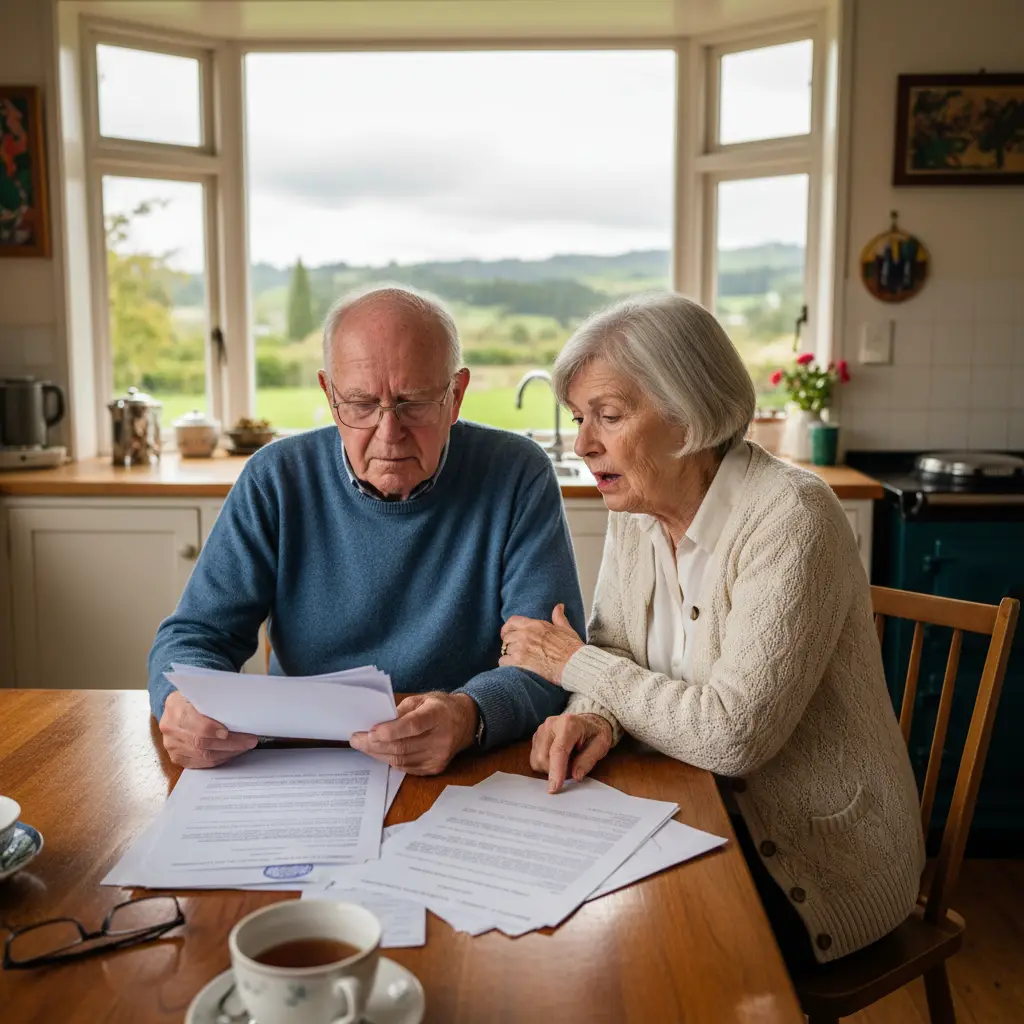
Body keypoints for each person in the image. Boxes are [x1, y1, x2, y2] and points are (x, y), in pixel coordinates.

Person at [499, 292, 925, 968]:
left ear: (689, 413)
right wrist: (593, 716)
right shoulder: (638, 508)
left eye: (609, 415)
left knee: (633, 960)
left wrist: (571, 664)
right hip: (694, 813)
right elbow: (614, 650)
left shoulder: (793, 517)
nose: (582, 444)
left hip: (819, 864)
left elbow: (733, 736)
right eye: (581, 418)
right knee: (549, 920)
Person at [149, 285, 583, 775]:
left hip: (463, 766)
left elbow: (551, 658)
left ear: (456, 395)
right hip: (302, 760)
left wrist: (470, 716)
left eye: (413, 403)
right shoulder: (275, 478)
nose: (388, 432)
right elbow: (195, 635)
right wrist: (179, 703)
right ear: (329, 395)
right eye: (360, 404)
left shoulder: (517, 474)